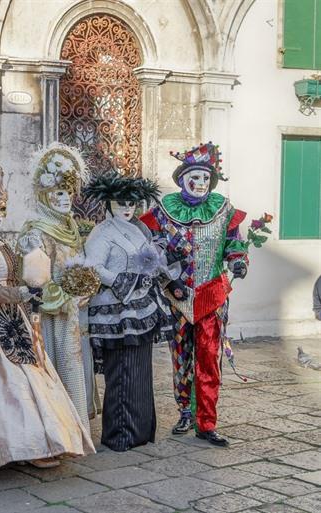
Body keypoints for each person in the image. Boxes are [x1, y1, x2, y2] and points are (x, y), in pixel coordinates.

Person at [0, 166, 94, 469]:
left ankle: (41, 441)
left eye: (3, 208)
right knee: (9, 385)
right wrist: (18, 294)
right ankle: (16, 447)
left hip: (14, 320)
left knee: (34, 378)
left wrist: (27, 291)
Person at [140, 142, 249, 447]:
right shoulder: (165, 210)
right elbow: (154, 250)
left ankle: (207, 421)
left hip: (211, 297)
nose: (200, 183)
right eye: (195, 177)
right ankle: (185, 412)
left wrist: (238, 261)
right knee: (181, 357)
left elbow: (234, 244)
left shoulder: (223, 209)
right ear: (182, 178)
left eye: (205, 178)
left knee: (208, 358)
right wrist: (166, 278)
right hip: (178, 297)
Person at [82, 172, 174, 451]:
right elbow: (93, 267)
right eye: (121, 203)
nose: (127, 209)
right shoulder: (102, 232)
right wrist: (122, 281)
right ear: (109, 203)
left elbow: (150, 259)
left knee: (140, 373)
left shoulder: (138, 229)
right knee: (121, 371)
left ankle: (140, 433)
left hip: (141, 310)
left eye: (132, 204)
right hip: (114, 313)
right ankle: (119, 435)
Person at [17, 142, 95, 429]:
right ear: (45, 194)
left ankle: (75, 428)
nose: (66, 200)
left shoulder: (71, 226)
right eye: (59, 193)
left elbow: (80, 264)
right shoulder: (36, 231)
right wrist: (65, 297)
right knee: (53, 367)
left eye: (69, 193)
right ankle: (57, 430)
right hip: (49, 317)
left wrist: (86, 288)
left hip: (73, 315)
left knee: (74, 367)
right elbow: (35, 280)